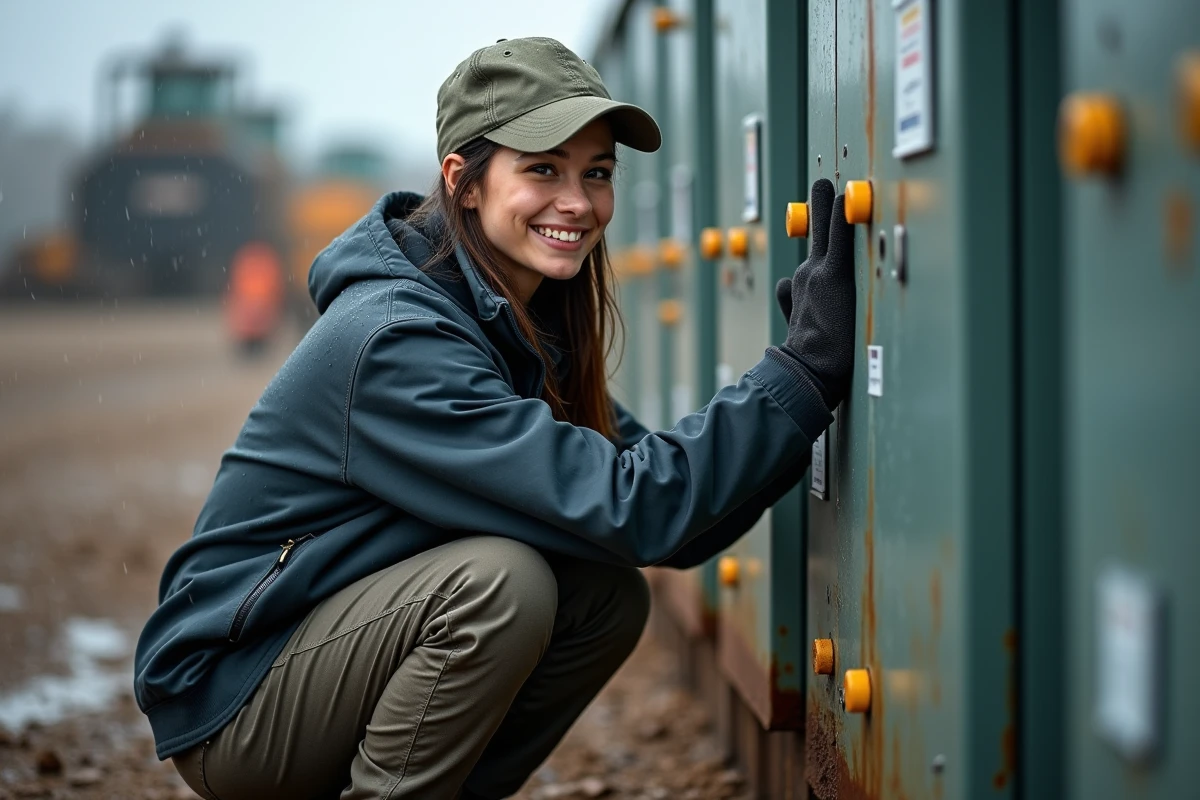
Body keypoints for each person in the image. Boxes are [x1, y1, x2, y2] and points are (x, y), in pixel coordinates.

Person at [134, 36, 856, 800]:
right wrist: (800, 373)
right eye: (543, 168)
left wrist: (794, 412)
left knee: (602, 593)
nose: (577, 202)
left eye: (597, 173)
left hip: (316, 655)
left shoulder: (504, 320)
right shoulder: (397, 342)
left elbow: (670, 526)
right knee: (499, 587)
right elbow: (636, 505)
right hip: (234, 697)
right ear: (464, 182)